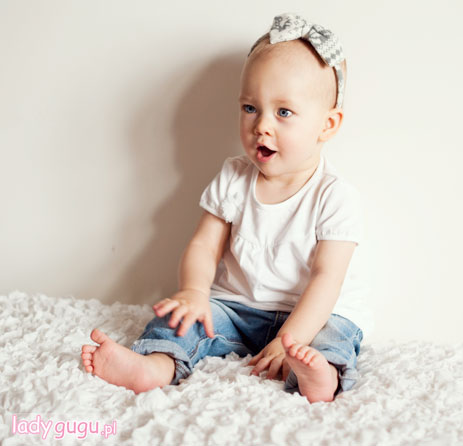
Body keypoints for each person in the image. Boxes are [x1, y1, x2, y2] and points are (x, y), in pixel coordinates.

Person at [81, 13, 366, 403]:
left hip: (311, 316)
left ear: (327, 125)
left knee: (335, 334)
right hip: (236, 307)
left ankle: (320, 377)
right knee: (182, 317)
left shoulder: (335, 196)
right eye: (250, 108)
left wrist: (292, 338)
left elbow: (326, 280)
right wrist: (194, 291)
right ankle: (155, 366)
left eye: (283, 112)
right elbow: (204, 245)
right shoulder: (234, 177)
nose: (261, 125)